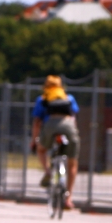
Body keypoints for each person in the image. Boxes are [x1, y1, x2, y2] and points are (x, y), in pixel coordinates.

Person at [31, 75, 80, 209]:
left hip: (50, 126)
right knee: (72, 162)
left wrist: (34, 141)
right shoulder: (69, 98)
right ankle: (68, 198)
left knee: (42, 149)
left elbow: (36, 122)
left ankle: (47, 171)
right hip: (68, 126)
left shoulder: (42, 99)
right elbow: (73, 117)